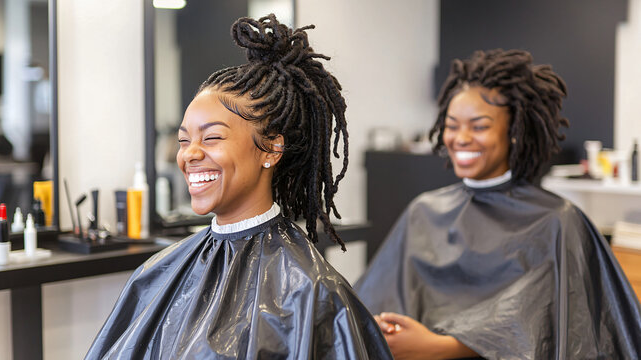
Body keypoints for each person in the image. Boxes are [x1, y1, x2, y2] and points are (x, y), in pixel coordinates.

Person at [86, 14, 391, 359]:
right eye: (184, 140)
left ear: (272, 149)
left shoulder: (310, 290)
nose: (190, 154)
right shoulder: (156, 272)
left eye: (212, 137)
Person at [355, 49, 641, 359]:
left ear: (514, 133)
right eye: (451, 126)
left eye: (479, 127)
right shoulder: (424, 212)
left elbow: (548, 330)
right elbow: (372, 304)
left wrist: (441, 348)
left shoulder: (557, 222)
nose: (461, 138)